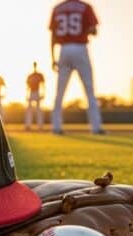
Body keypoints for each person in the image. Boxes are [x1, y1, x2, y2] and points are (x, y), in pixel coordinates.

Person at [49, 0, 104, 135]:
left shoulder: (57, 8)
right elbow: (93, 30)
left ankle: (56, 127)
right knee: (89, 90)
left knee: (59, 92)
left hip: (64, 50)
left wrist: (52, 58)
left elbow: (53, 36)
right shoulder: (85, 7)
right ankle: (95, 127)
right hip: (80, 48)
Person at [25, 62, 46, 130]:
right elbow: (27, 86)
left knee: (38, 110)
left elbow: (43, 85)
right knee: (29, 110)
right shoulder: (30, 75)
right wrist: (26, 95)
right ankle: (28, 126)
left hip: (37, 92)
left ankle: (40, 126)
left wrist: (43, 93)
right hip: (31, 92)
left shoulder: (39, 75)